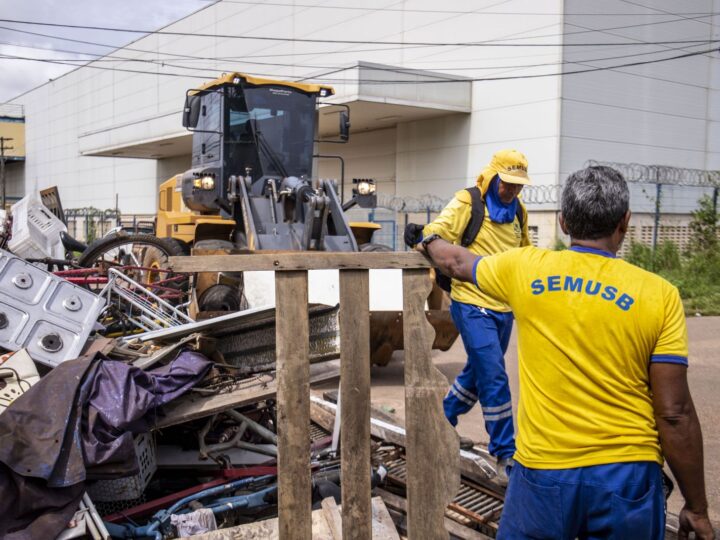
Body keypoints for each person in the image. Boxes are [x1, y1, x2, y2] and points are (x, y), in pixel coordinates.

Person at [418, 165, 714, 539]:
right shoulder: (660, 295)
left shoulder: (526, 269)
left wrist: (427, 240)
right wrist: (697, 507)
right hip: (626, 477)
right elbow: (674, 414)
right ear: (624, 223)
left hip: (543, 475)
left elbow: (456, 262)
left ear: (562, 223)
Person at [406, 149, 531, 483]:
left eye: (519, 185)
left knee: (478, 372)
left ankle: (441, 421)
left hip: (504, 308)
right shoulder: (468, 202)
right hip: (471, 303)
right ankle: (505, 453)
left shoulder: (519, 211)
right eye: (507, 184)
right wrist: (424, 238)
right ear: (492, 177)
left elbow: (523, 252)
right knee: (494, 375)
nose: (513, 191)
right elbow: (437, 230)